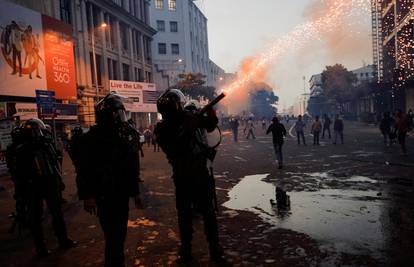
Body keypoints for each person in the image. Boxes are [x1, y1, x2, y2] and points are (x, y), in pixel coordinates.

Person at [154, 89, 224, 263]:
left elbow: (210, 124)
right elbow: (173, 148)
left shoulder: (187, 118)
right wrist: (186, 130)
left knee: (201, 213)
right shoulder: (163, 128)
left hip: (192, 173)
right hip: (186, 175)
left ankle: (212, 247)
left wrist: (209, 109)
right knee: (190, 213)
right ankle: (189, 248)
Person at [76, 93, 142, 267]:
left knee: (119, 233)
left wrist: (135, 192)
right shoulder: (90, 138)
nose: (121, 118)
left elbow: (131, 167)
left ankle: (116, 261)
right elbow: (83, 170)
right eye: (117, 113)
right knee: (113, 235)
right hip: (103, 194)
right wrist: (87, 196)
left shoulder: (122, 135)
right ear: (109, 115)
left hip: (120, 193)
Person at [14, 118, 76, 256]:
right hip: (32, 186)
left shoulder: (46, 145)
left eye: (37, 131)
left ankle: (62, 239)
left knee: (56, 214)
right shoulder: (22, 150)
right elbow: (19, 173)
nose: (36, 134)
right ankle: (41, 248)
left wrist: (59, 181)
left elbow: (54, 164)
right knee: (36, 217)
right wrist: (21, 191)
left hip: (49, 183)